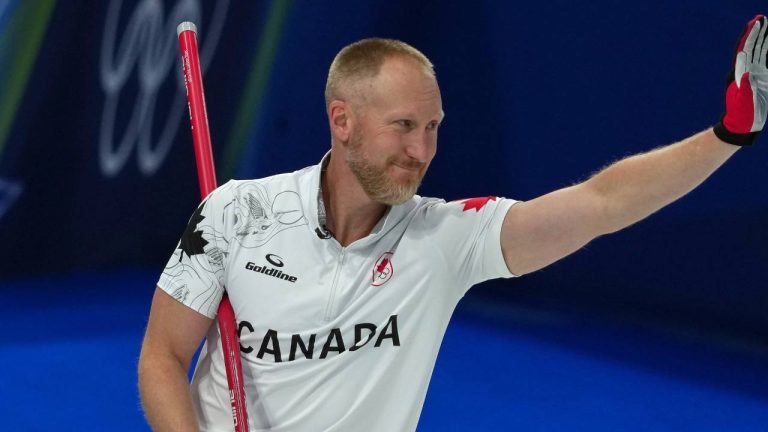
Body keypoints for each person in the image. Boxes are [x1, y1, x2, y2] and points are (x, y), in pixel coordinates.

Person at [138, 15, 768, 432]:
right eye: (403, 127)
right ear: (342, 120)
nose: (421, 151)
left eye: (433, 127)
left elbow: (601, 203)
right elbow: (163, 357)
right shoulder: (236, 213)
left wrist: (727, 136)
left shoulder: (446, 240)